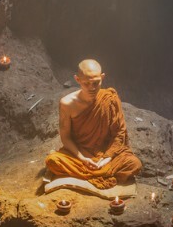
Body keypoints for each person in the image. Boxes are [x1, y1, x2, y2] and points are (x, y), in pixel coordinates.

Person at [45, 59, 142, 189]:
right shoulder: (67, 103)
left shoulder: (110, 98)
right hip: (81, 155)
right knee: (52, 161)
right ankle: (103, 174)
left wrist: (107, 158)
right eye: (86, 83)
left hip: (106, 153)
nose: (92, 88)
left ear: (102, 77)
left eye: (96, 83)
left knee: (134, 164)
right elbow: (66, 137)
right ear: (77, 79)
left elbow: (119, 132)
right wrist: (82, 158)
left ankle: (92, 173)